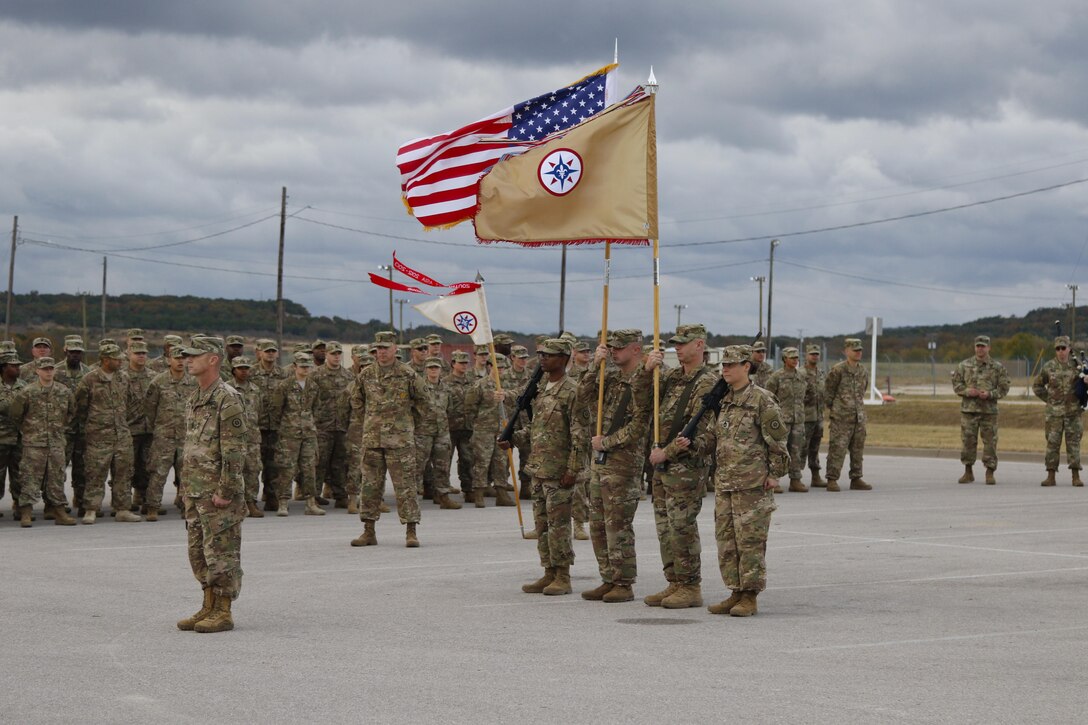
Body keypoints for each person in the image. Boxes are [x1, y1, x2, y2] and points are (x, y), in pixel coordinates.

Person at [501, 338, 588, 596]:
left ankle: (563, 575)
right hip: (538, 468)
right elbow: (537, 428)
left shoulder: (572, 390)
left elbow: (579, 435)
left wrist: (573, 470)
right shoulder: (541, 388)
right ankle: (548, 570)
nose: (543, 359)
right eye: (541, 354)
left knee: (559, 525)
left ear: (564, 358)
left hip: (559, 471)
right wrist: (512, 438)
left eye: (549, 355)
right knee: (542, 525)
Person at [706, 345, 788, 617]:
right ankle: (735, 591)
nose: (725, 369)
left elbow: (778, 442)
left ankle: (750, 596)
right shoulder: (725, 401)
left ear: (746, 367)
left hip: (752, 486)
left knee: (750, 542)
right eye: (723, 365)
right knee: (727, 542)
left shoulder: (762, 400)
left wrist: (775, 473)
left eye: (731, 365)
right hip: (726, 483)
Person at [176, 336, 248, 634]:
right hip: (195, 490)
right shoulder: (195, 398)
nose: (188, 360)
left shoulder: (227, 398)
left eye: (195, 355)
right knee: (199, 552)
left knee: (222, 552)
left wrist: (226, 491)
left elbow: (235, 451)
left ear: (213, 359)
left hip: (217, 493)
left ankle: (223, 610)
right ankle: (207, 604)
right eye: (187, 356)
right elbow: (192, 446)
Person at [643, 324, 717, 609]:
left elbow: (703, 432)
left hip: (686, 467)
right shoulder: (673, 378)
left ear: (699, 345)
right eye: (675, 343)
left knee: (681, 526)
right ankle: (674, 580)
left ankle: (690, 585)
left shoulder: (707, 382)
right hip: (661, 463)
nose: (677, 347)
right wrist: (648, 370)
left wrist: (667, 452)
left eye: (683, 343)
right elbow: (643, 400)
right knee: (665, 527)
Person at [576, 329, 652, 603]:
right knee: (597, 524)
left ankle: (623, 582)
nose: (613, 352)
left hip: (624, 463)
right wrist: (595, 365)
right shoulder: (610, 376)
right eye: (611, 348)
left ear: (635, 349)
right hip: (601, 462)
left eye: (619, 348)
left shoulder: (646, 378)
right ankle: (608, 577)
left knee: (617, 525)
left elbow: (640, 425)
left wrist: (607, 442)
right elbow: (582, 396)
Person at [350, 331, 430, 548]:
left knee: (405, 487)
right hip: (373, 440)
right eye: (379, 349)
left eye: (386, 348)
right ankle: (368, 531)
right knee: (370, 486)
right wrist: (368, 421)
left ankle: (411, 531)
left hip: (400, 442)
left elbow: (425, 402)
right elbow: (356, 400)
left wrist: (409, 425)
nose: (382, 352)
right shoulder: (366, 375)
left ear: (396, 349)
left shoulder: (408, 374)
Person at [74, 343, 142, 523]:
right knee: (95, 473)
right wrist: (93, 426)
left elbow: (132, 403)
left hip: (121, 434)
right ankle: (91, 509)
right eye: (116, 358)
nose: (120, 361)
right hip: (98, 436)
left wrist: (123, 422)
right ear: (105, 360)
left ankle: (122, 509)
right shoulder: (89, 380)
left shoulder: (124, 378)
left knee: (124, 472)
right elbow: (80, 408)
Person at [11, 357, 76, 526]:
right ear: (37, 371)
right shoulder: (27, 392)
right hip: (34, 444)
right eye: (44, 369)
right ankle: (26, 512)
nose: (48, 372)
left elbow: (71, 413)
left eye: (50, 369)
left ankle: (59, 511)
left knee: (56, 477)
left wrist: (58, 429)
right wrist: (30, 430)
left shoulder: (64, 391)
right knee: (29, 478)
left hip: (56, 442)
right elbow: (16, 415)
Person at [144, 346, 198, 520]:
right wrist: (159, 427)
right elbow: (150, 409)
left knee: (187, 473)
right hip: (164, 436)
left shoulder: (193, 382)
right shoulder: (158, 382)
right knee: (158, 473)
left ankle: (186, 507)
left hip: (186, 436)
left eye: (183, 358)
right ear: (168, 360)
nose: (180, 361)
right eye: (177, 358)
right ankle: (152, 507)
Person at [269, 352, 326, 516]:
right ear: (295, 366)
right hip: (289, 434)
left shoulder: (313, 386)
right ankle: (283, 503)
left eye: (308, 366)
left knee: (309, 468)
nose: (305, 369)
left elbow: (316, 408)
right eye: (302, 366)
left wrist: (309, 423)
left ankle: (310, 502)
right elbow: (276, 410)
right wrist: (285, 427)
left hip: (308, 433)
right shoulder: (285, 386)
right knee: (287, 468)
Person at [952, 335, 1011, 485]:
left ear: (989, 348)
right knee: (968, 442)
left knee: (990, 442)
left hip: (988, 411)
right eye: (978, 346)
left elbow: (1004, 388)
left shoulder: (997, 368)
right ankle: (968, 472)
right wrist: (966, 391)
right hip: (969, 411)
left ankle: (989, 472)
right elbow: (957, 385)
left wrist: (990, 394)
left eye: (983, 346)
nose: (980, 349)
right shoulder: (964, 365)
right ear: (974, 347)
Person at [464, 354, 516, 507]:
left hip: (502, 429)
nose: (500, 370)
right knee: (482, 462)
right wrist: (477, 424)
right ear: (490, 367)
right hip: (484, 430)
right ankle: (479, 493)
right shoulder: (479, 385)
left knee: (501, 461)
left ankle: (501, 493)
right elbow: (470, 407)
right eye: (497, 367)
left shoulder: (508, 386)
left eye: (502, 367)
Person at [1032, 335, 1083, 486]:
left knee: (1073, 444)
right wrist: (1049, 399)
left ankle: (1076, 476)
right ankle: (1051, 475)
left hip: (1073, 413)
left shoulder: (1078, 366)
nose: (1061, 351)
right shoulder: (1049, 367)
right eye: (1058, 349)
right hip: (1054, 414)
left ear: (1069, 349)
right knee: (1052, 444)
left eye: (1063, 348)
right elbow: (1037, 386)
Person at [823, 338, 871, 492]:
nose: (858, 353)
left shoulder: (863, 371)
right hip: (841, 418)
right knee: (837, 449)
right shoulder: (838, 370)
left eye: (860, 350)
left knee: (857, 450)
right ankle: (832, 479)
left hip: (858, 417)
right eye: (855, 350)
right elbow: (828, 392)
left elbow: (863, 391)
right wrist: (837, 409)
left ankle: (856, 478)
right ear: (846, 351)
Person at [311, 341, 354, 507]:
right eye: (333, 354)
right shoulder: (316, 375)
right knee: (319, 461)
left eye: (338, 354)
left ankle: (340, 494)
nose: (336, 357)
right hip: (322, 425)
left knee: (340, 462)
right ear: (326, 355)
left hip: (342, 425)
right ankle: (314, 494)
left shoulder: (349, 376)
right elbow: (309, 399)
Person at [417, 357, 461, 508]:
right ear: (426, 370)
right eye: (430, 368)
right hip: (423, 431)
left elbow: (450, 409)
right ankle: (412, 496)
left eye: (436, 367)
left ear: (441, 370)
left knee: (442, 465)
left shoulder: (446, 388)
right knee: (418, 465)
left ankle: (443, 496)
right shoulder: (419, 387)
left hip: (442, 432)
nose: (433, 370)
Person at [764, 347, 808, 493]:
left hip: (798, 419)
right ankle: (774, 480)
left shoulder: (802, 376)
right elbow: (767, 397)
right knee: (778, 450)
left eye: (796, 357)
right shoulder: (776, 377)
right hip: (781, 420)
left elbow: (806, 396)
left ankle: (795, 480)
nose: (795, 360)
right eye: (792, 358)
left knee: (796, 450)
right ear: (784, 359)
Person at [56, 335, 91, 511]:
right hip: (64, 429)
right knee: (59, 467)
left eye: (78, 352)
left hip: (83, 428)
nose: (75, 355)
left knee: (82, 467)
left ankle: (81, 499)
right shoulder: (56, 372)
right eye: (72, 352)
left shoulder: (89, 373)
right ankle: (57, 502)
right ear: (65, 351)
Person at [251, 339, 288, 509]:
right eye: (267, 351)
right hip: (256, 426)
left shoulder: (283, 374)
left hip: (276, 426)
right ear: (259, 352)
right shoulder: (250, 373)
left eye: (273, 351)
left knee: (273, 464)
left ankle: (272, 495)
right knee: (253, 465)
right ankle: (250, 498)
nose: (270, 354)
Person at [228, 356, 265, 516]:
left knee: (253, 469)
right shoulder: (226, 389)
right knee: (233, 470)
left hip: (252, 437)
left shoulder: (255, 389)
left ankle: (251, 502)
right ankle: (236, 503)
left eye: (246, 368)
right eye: (240, 368)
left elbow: (260, 411)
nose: (244, 371)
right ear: (234, 370)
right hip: (232, 438)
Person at [126, 340, 156, 513]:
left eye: (144, 353)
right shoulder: (123, 377)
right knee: (126, 466)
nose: (141, 356)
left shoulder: (153, 377)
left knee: (147, 465)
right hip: (130, 428)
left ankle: (144, 497)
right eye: (137, 353)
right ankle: (123, 500)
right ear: (130, 355)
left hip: (149, 429)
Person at [444, 350, 475, 503]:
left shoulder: (472, 381)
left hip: (467, 427)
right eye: (460, 363)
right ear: (453, 364)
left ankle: (468, 490)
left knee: (467, 460)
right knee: (444, 460)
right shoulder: (445, 382)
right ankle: (442, 491)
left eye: (465, 363)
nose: (464, 366)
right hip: (449, 427)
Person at [0, 351, 26, 518]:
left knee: (20, 473)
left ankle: (20, 504)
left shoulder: (24, 386)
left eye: (18, 365)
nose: (17, 368)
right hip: (1, 438)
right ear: (3, 368)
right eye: (13, 365)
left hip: (19, 438)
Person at [802, 344, 826, 487]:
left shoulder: (821, 373)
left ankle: (815, 476)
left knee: (815, 448)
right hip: (804, 417)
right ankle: (795, 477)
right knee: (800, 448)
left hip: (818, 417)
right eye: (812, 354)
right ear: (806, 355)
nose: (815, 356)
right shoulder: (801, 373)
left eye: (816, 354)